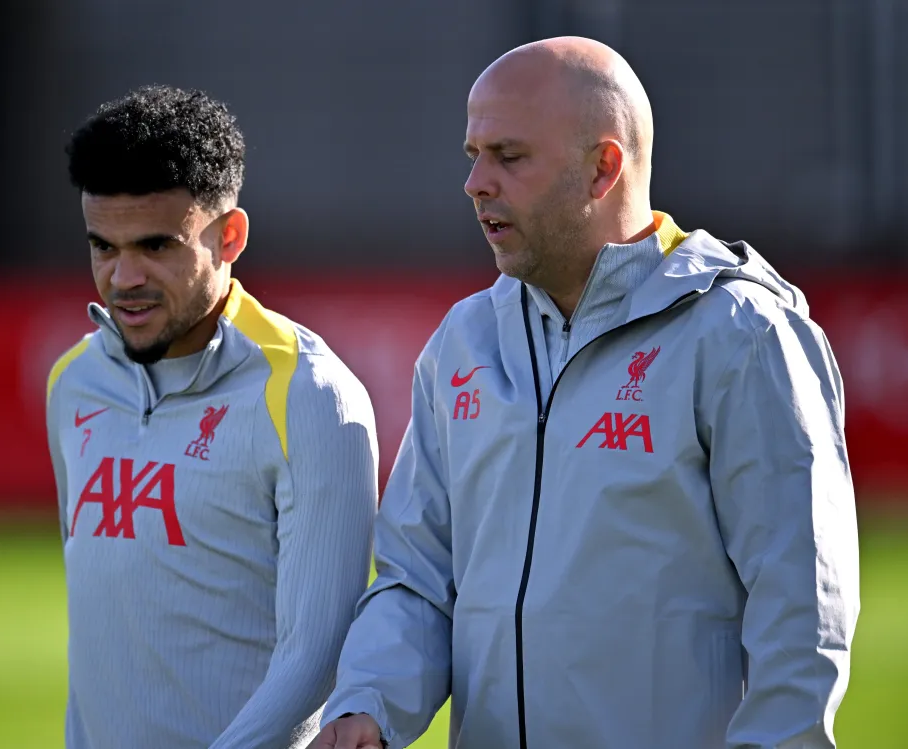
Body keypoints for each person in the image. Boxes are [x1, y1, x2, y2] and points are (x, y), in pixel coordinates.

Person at [311, 37, 859, 749]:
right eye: (473, 155)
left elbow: (803, 608)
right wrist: (368, 704)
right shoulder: (464, 341)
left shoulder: (742, 333)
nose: (476, 182)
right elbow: (419, 577)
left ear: (603, 168)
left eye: (508, 156)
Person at [46, 85, 379, 749]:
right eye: (103, 247)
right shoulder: (74, 381)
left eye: (156, 246)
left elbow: (318, 655)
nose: (123, 277)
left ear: (229, 236)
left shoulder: (311, 395)